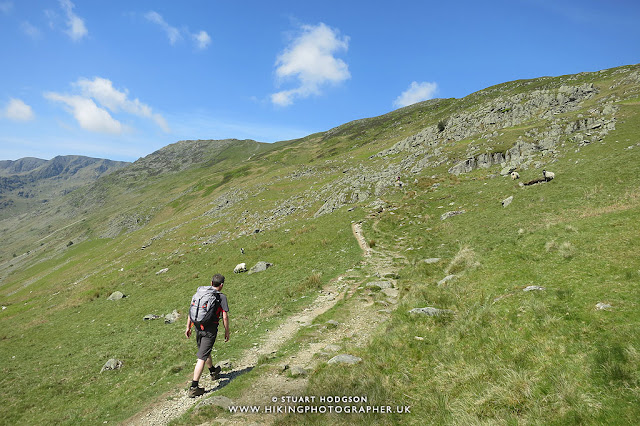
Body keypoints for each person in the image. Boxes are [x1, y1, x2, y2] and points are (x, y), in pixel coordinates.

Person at [185, 273, 230, 398]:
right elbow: (225, 316)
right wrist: (227, 331)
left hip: (198, 327)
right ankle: (194, 387)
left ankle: (213, 372)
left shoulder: (200, 294)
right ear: (221, 285)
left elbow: (190, 311)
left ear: (211, 283)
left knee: (204, 350)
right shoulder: (221, 297)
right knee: (202, 357)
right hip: (209, 330)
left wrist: (188, 327)